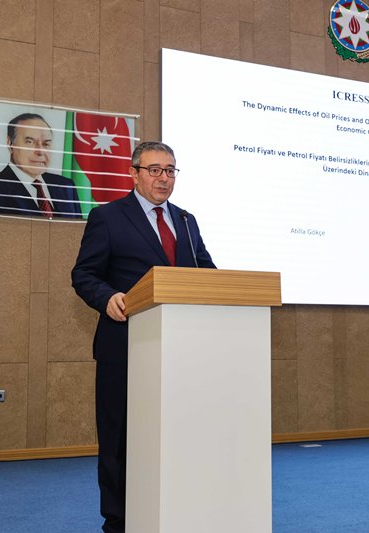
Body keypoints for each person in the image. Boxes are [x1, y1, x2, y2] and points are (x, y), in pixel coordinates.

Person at [70, 141, 215, 533]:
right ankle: (118, 521)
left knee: (175, 435)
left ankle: (172, 512)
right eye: (154, 170)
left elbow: (206, 273)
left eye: (170, 170)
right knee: (119, 439)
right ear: (134, 173)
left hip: (181, 349)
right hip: (125, 346)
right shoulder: (107, 217)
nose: (163, 178)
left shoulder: (186, 221)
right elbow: (84, 274)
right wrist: (108, 298)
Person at [0, 113, 81, 218]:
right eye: (30, 142)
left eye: (46, 144)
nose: (40, 151)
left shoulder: (66, 187)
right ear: (10, 143)